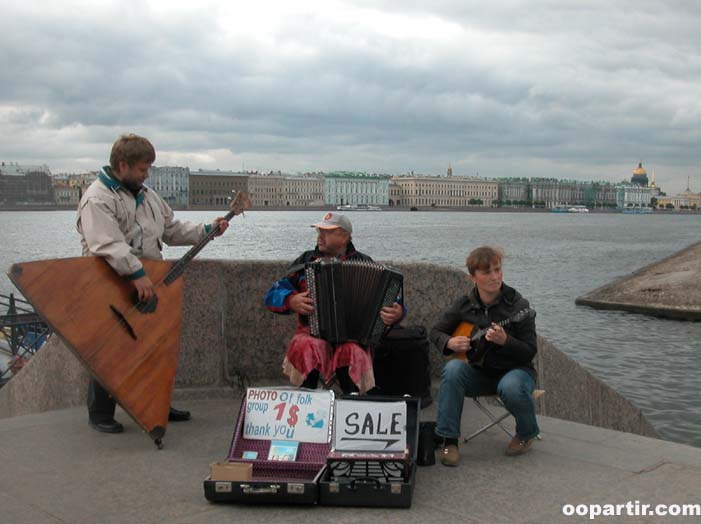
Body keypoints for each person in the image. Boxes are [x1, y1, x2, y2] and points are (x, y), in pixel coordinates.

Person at [77, 134, 229, 433]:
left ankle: (156, 403)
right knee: (109, 347)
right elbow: (107, 244)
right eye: (143, 169)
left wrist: (206, 229)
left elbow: (171, 229)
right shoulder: (97, 198)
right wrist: (136, 274)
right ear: (123, 165)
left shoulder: (147, 195)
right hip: (110, 280)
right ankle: (101, 413)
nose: (147, 175)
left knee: (155, 345)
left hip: (147, 278)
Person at [264, 212, 404, 394]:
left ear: (345, 236)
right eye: (319, 231)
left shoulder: (364, 262)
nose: (320, 236)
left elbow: (393, 300)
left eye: (327, 232)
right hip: (311, 333)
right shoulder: (305, 261)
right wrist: (291, 300)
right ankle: (308, 401)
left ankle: (352, 403)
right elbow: (272, 294)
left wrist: (397, 312)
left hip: (355, 336)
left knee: (352, 351)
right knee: (308, 346)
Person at [430, 246, 538, 465]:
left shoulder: (519, 305)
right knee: (452, 370)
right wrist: (449, 342)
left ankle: (526, 434)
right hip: (479, 372)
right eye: (487, 272)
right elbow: (435, 332)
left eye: (497, 270)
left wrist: (505, 341)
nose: (494, 277)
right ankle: (449, 441)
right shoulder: (464, 304)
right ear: (473, 277)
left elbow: (530, 350)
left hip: (516, 372)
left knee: (510, 386)